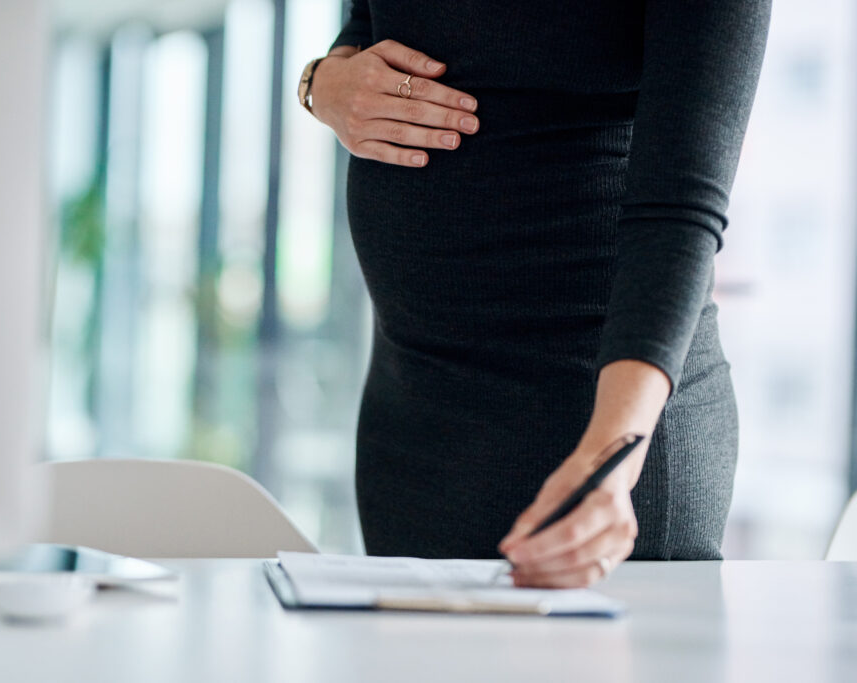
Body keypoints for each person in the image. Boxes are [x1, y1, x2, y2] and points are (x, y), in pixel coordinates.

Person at [296, 1, 772, 587]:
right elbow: (379, 19)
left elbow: (679, 209)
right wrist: (325, 80)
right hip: (415, 408)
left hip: (598, 419)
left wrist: (610, 457)